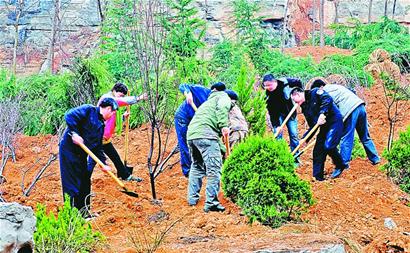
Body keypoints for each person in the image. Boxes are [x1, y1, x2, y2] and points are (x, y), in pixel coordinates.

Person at [59, 98, 118, 217]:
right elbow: (69, 116)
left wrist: (103, 164)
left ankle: (84, 213)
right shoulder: (88, 110)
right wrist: (75, 134)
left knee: (85, 181)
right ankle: (72, 216)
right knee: (71, 183)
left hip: (81, 155)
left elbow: (97, 147)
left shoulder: (100, 125)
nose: (112, 115)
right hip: (69, 152)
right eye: (112, 112)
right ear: (107, 109)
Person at [309, 78, 380, 166]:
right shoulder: (336, 86)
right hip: (360, 106)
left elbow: (332, 111)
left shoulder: (325, 92)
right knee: (365, 136)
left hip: (349, 111)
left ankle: (344, 164)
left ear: (320, 87)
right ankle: (375, 158)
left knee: (346, 138)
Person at [87, 83, 146, 182]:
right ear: (114, 91)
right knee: (92, 161)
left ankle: (125, 175)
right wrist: (138, 98)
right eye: (121, 95)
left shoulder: (112, 103)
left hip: (105, 137)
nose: (122, 97)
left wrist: (123, 117)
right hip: (98, 135)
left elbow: (111, 119)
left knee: (115, 157)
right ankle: (83, 181)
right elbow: (119, 102)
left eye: (123, 96)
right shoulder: (107, 98)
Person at [186, 87, 232, 212]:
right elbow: (223, 108)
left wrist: (221, 148)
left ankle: (192, 198)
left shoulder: (207, 103)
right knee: (214, 169)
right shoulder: (224, 97)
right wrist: (224, 125)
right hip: (206, 135)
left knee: (197, 165)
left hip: (192, 135)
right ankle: (211, 203)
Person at [288, 87, 348, 181]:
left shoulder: (315, 93)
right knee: (318, 151)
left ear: (299, 94)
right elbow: (313, 126)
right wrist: (305, 139)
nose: (296, 103)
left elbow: (327, 99)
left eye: (295, 100)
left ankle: (340, 165)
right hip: (324, 127)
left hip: (334, 121)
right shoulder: (304, 107)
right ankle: (317, 178)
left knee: (329, 146)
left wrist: (322, 113)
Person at [174, 82, 226, 177]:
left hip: (196, 122)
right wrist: (188, 94)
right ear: (214, 90)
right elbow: (183, 85)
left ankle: (201, 167)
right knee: (185, 143)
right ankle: (188, 171)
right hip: (183, 117)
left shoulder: (216, 103)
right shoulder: (201, 90)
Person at [262, 74, 302, 155]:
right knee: (277, 135)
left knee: (293, 134)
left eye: (269, 85)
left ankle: (295, 156)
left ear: (274, 81)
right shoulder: (267, 96)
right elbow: (272, 113)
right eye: (265, 86)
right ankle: (281, 156)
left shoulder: (285, 82)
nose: (267, 88)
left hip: (290, 112)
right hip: (278, 115)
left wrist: (300, 95)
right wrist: (276, 126)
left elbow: (298, 82)